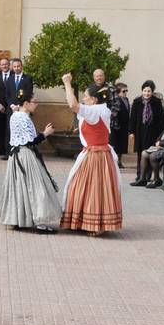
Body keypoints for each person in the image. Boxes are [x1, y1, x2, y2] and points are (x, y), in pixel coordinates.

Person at [59, 73, 122, 235]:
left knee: (91, 188)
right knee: (98, 188)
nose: (84, 99)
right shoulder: (103, 109)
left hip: (94, 155)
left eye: (86, 97)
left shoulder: (94, 111)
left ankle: (93, 224)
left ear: (94, 99)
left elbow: (73, 105)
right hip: (102, 154)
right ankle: (96, 223)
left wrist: (67, 84)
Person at [0, 94, 61, 231]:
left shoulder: (16, 115)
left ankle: (17, 219)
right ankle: (40, 221)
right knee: (36, 187)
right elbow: (30, 141)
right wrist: (46, 133)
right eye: (34, 102)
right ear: (26, 103)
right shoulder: (22, 117)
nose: (36, 104)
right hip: (24, 155)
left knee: (19, 187)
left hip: (17, 156)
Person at [128, 80, 164, 185]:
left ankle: (148, 175)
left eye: (149, 91)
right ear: (142, 91)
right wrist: (131, 132)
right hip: (140, 131)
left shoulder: (157, 102)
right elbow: (133, 119)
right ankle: (140, 175)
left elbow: (160, 119)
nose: (146, 93)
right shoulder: (137, 102)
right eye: (145, 91)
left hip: (153, 132)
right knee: (140, 153)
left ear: (152, 92)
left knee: (150, 153)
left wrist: (160, 135)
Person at [108, 83, 132, 169]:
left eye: (126, 90)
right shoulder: (116, 101)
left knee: (122, 146)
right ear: (118, 92)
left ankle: (119, 161)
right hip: (116, 125)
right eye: (123, 91)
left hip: (124, 125)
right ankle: (114, 161)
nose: (125, 92)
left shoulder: (126, 99)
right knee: (115, 144)